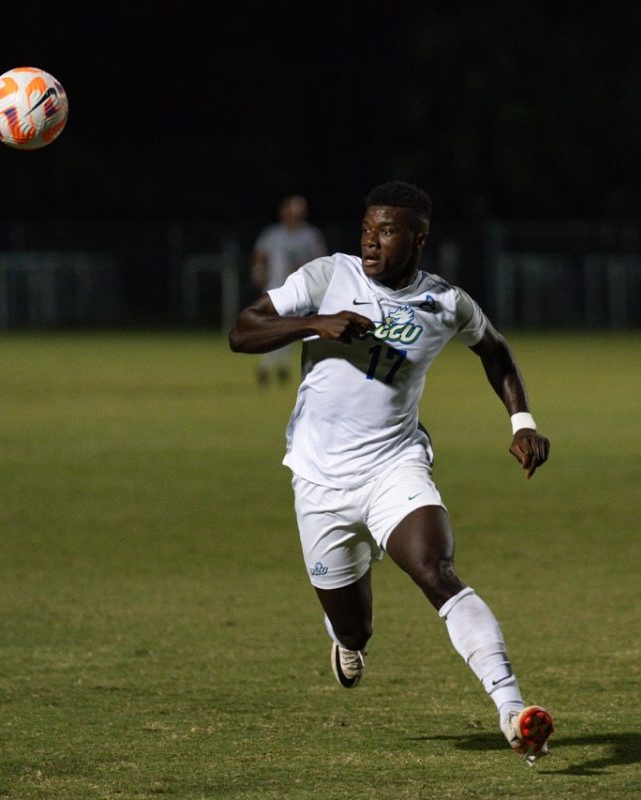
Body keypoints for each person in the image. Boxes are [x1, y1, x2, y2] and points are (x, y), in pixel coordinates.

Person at [228, 180, 554, 764]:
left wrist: (522, 421)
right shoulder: (329, 277)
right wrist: (316, 324)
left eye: (386, 232)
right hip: (319, 482)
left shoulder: (446, 302)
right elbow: (242, 330)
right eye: (365, 230)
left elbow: (496, 351)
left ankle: (513, 710)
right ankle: (344, 639)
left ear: (418, 240)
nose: (371, 243)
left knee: (437, 569)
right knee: (355, 630)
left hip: (393, 465)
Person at [250, 195, 328, 386]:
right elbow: (260, 255)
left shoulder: (309, 235)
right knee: (273, 328)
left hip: (299, 290)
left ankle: (272, 365)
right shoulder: (273, 234)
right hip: (274, 288)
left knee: (288, 330)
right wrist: (259, 272)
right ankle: (273, 365)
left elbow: (321, 260)